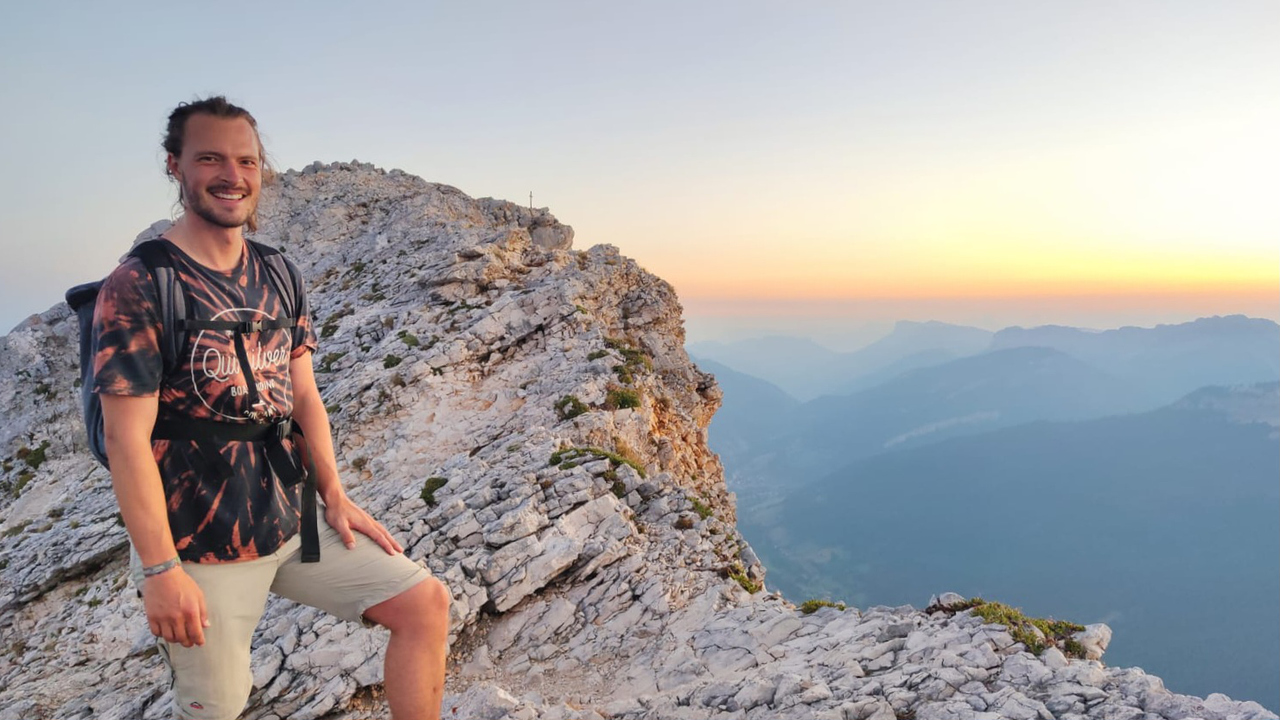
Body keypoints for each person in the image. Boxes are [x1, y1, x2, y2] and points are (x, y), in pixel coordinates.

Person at [93, 96, 449, 720]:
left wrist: (333, 492)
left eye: (246, 161)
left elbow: (303, 394)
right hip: (200, 543)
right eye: (210, 158)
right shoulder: (143, 282)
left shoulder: (279, 272)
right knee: (219, 708)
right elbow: (127, 442)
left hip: (290, 520)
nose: (232, 175)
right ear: (175, 165)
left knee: (424, 604)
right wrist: (159, 570)